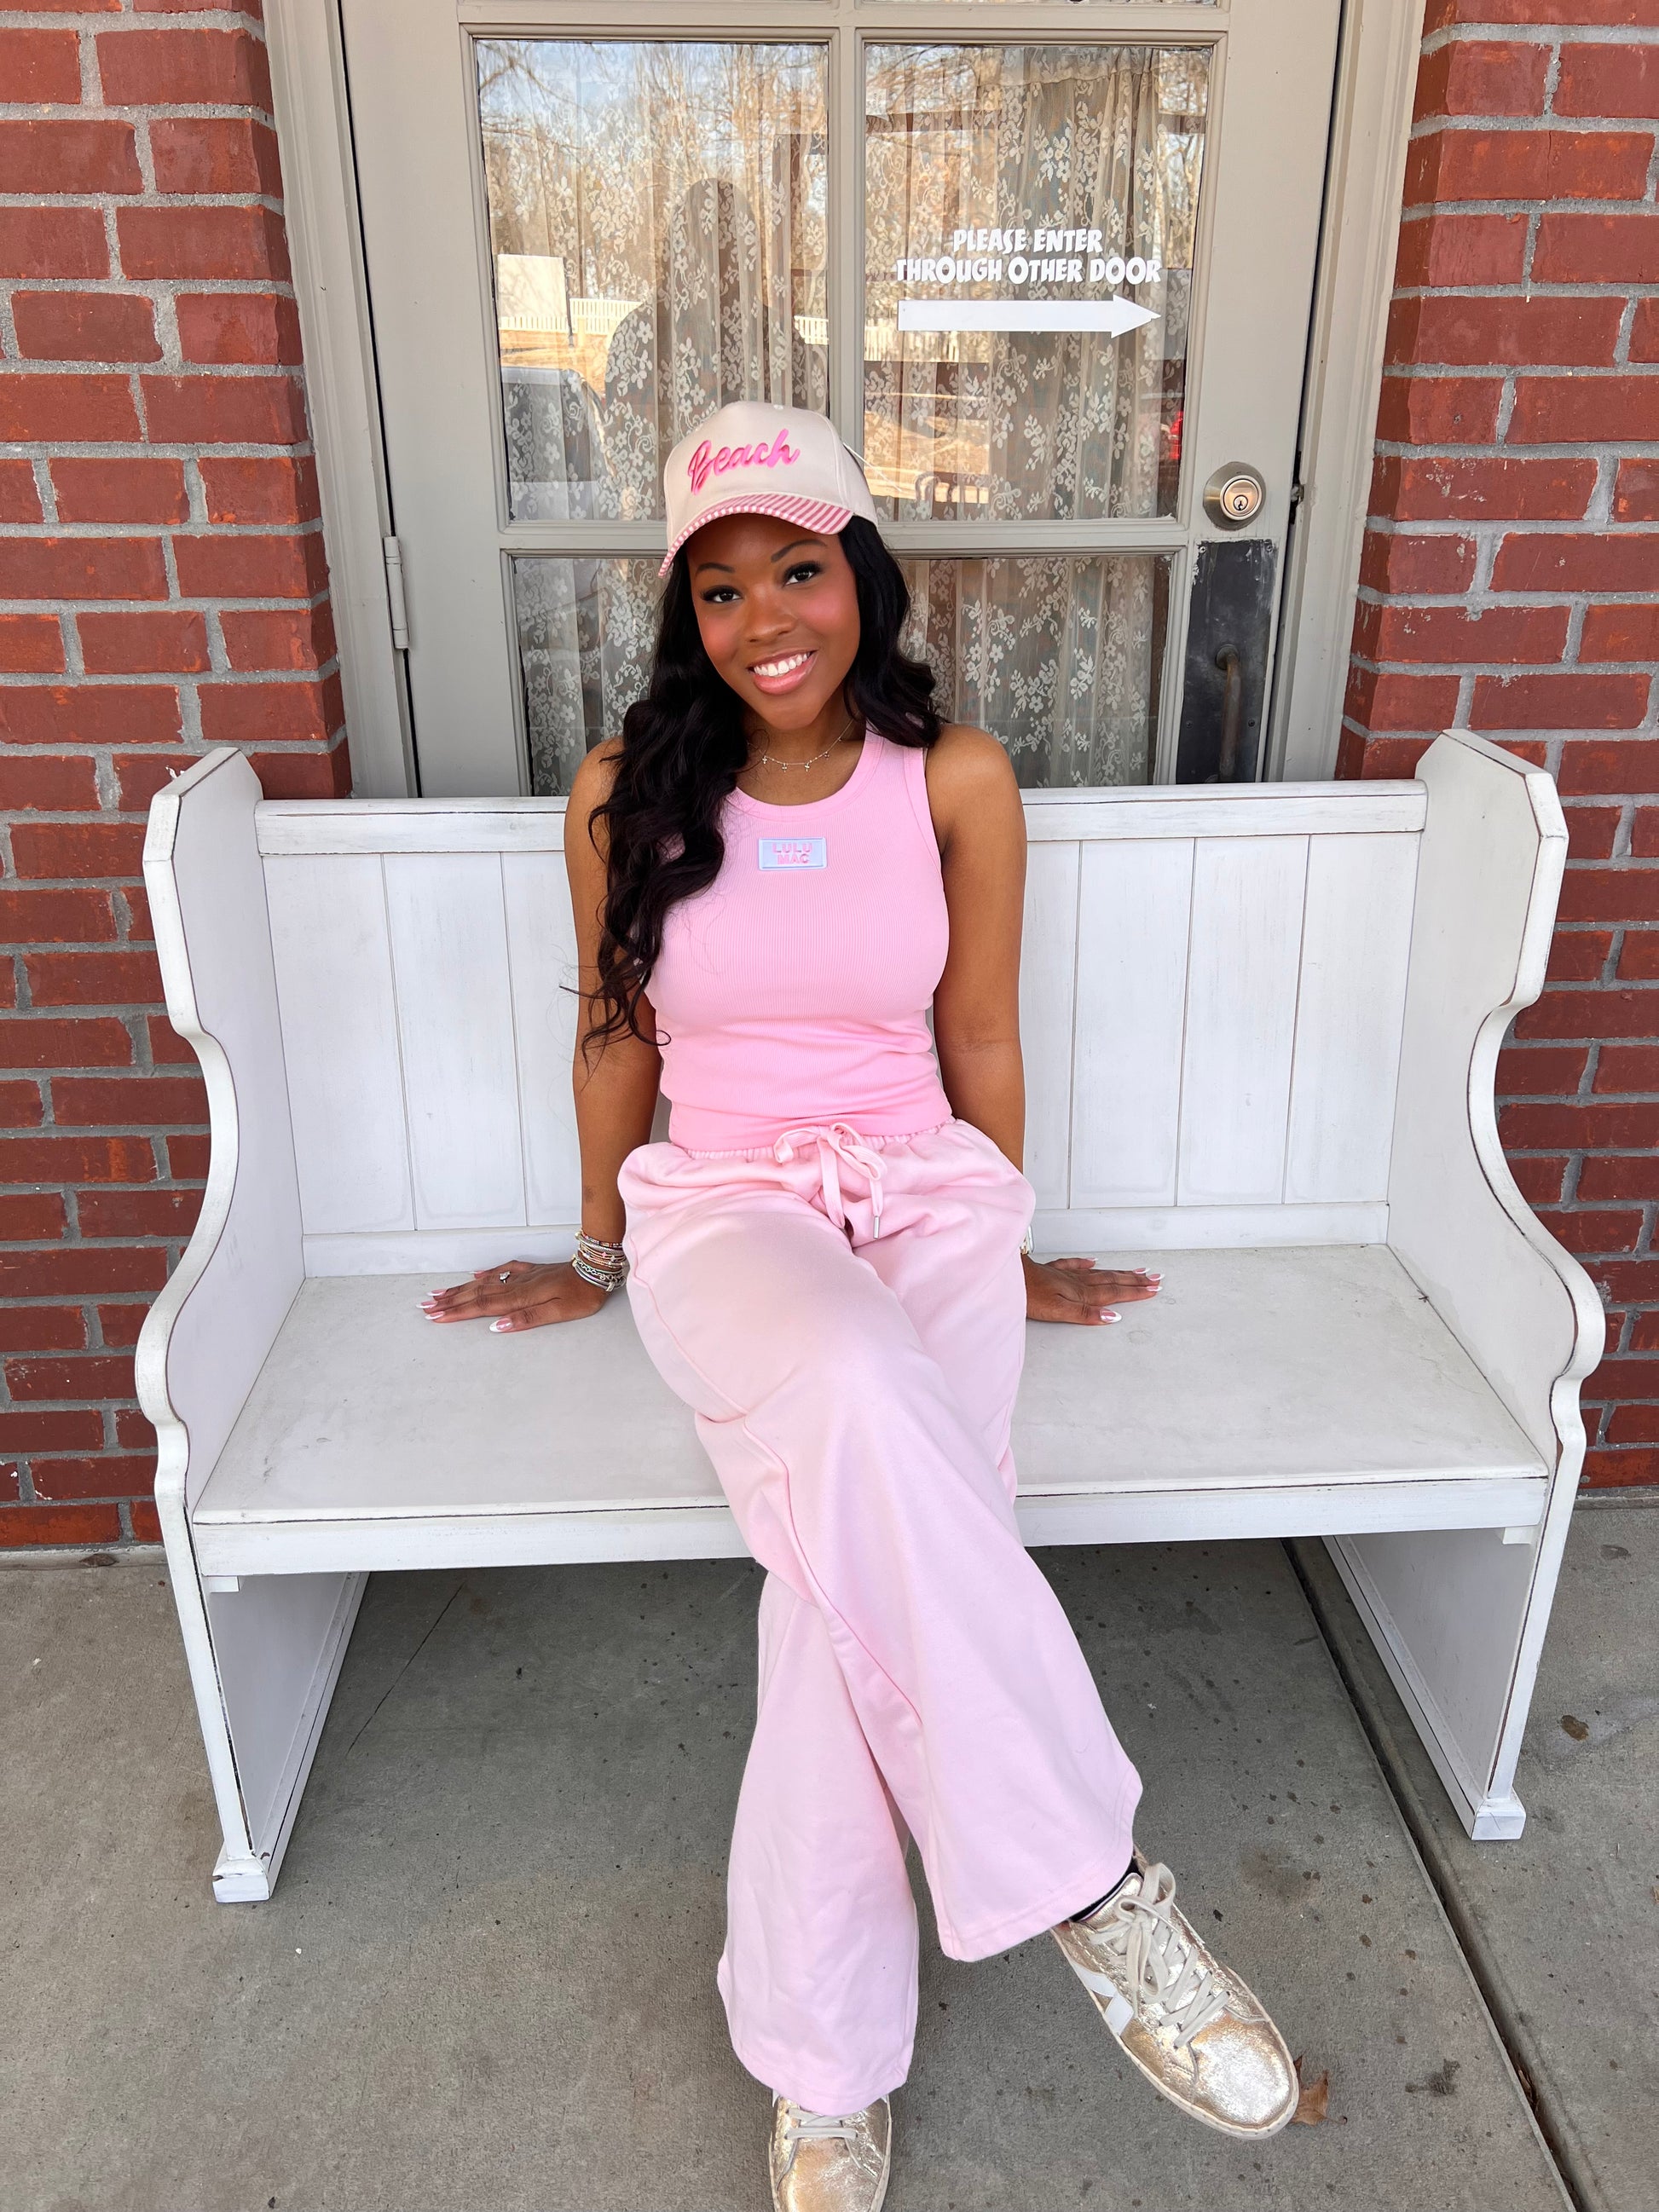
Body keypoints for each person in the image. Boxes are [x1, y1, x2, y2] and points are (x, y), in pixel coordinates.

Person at [423, 402, 1298, 2211]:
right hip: (728, 1207)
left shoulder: (953, 777)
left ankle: (823, 2073)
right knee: (851, 1384)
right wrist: (592, 1246)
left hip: (925, 1191)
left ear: (860, 577)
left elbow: (977, 1028)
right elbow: (617, 1032)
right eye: (721, 587)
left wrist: (1012, 1233)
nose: (766, 618)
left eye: (798, 570)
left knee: (838, 1600)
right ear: (688, 614)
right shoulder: (624, 790)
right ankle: (1095, 1889)